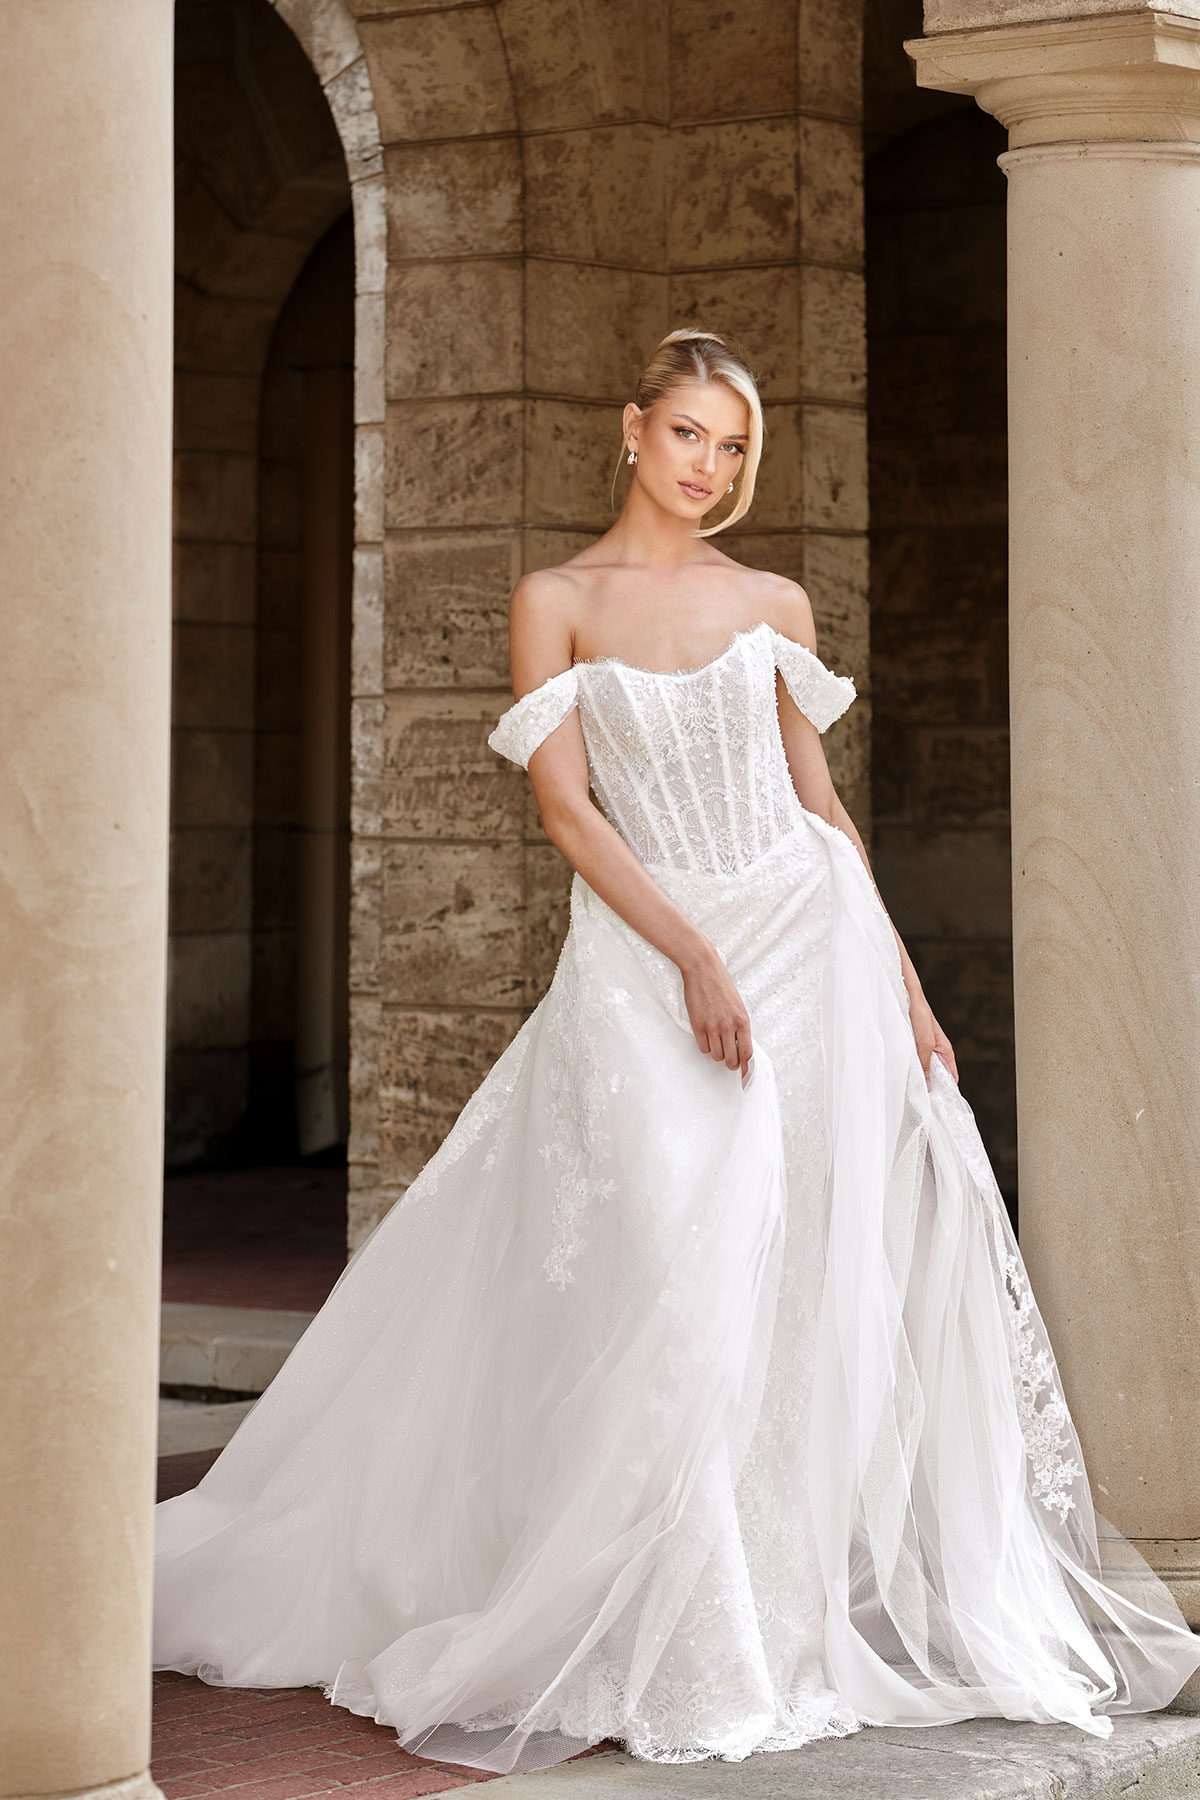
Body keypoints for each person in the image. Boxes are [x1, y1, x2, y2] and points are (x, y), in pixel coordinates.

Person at [153, 328, 1200, 1775]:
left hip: (811, 944)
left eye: (732, 447)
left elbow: (818, 805)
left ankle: (761, 1615)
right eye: (689, 434)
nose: (709, 467)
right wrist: (693, 954)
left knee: (793, 1277)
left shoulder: (774, 598)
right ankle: (672, 1619)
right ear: (630, 427)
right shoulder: (554, 599)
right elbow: (572, 817)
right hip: (656, 961)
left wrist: (901, 981)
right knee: (675, 1262)